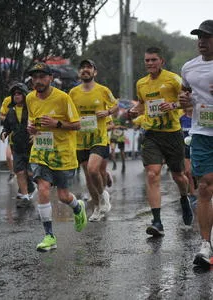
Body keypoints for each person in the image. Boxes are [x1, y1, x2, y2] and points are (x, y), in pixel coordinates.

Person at [129, 47, 193, 237]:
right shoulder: (141, 83)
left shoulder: (173, 79)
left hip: (172, 134)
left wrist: (173, 105)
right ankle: (157, 222)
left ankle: (184, 198)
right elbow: (142, 105)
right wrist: (135, 111)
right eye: (147, 60)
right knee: (152, 174)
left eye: (153, 60)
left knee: (179, 176)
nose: (149, 63)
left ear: (161, 61)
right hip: (152, 134)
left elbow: (189, 100)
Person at [26, 62, 87, 252]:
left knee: (62, 195)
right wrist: (32, 128)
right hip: (41, 151)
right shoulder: (29, 98)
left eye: (42, 77)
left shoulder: (63, 98)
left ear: (50, 78)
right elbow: (31, 118)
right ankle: (49, 236)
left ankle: (78, 207)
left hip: (63, 154)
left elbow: (77, 125)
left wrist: (56, 123)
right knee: (43, 188)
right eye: (35, 77)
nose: (38, 81)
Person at [179, 20, 213, 268]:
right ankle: (205, 244)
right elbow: (184, 94)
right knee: (204, 187)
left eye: (207, 37)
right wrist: (183, 99)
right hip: (202, 132)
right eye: (199, 37)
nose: (201, 41)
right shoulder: (188, 68)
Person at [69, 59, 118, 222]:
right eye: (82, 68)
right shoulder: (73, 93)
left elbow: (115, 105)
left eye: (88, 67)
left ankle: (103, 193)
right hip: (80, 139)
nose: (85, 70)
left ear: (94, 72)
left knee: (92, 169)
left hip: (99, 137)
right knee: (87, 175)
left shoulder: (103, 90)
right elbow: (69, 113)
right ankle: (97, 207)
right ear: (79, 72)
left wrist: (108, 112)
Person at [0, 82, 35, 206]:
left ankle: (30, 188)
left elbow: (39, 123)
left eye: (19, 93)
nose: (16, 96)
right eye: (14, 94)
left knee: (30, 172)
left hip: (31, 146)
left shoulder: (32, 109)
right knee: (19, 171)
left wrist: (36, 135)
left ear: (25, 95)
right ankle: (25, 196)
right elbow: (6, 127)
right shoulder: (10, 111)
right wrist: (4, 133)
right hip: (17, 146)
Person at [180, 107, 197, 206]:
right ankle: (193, 195)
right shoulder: (181, 119)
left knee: (199, 173)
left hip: (198, 148)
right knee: (188, 172)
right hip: (186, 149)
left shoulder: (198, 117)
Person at [0, 86, 16, 183]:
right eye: (14, 92)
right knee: (8, 156)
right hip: (12, 134)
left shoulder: (27, 99)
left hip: (23, 135)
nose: (16, 95)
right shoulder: (7, 100)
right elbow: (1, 116)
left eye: (18, 92)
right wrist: (10, 121)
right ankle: (12, 173)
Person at [109, 108, 128, 173]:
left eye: (116, 112)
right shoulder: (110, 118)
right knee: (112, 149)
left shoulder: (122, 118)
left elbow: (126, 128)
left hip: (120, 137)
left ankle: (123, 164)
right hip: (113, 136)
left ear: (118, 111)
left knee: (122, 152)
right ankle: (114, 163)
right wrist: (112, 127)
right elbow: (109, 126)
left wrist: (119, 126)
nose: (114, 113)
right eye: (113, 112)